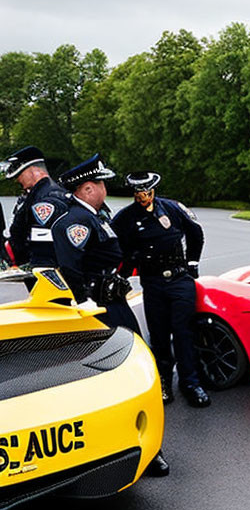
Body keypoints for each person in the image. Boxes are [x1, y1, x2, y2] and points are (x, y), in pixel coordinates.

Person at [52, 154, 169, 476]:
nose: (105, 187)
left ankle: (146, 447)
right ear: (88, 188)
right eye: (101, 183)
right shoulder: (75, 221)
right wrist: (84, 300)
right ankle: (125, 449)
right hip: (98, 307)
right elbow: (69, 267)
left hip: (114, 302)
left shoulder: (97, 215)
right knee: (117, 375)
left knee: (133, 367)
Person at [112, 172, 210, 408]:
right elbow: (116, 249)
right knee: (159, 334)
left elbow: (195, 233)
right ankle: (164, 381)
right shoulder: (125, 218)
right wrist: (122, 273)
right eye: (138, 193)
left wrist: (192, 264)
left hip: (178, 278)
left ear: (153, 190)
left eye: (146, 192)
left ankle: (191, 383)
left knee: (183, 331)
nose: (142, 196)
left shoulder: (173, 208)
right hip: (153, 281)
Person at [3, 145, 70, 269]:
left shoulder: (46, 200)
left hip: (43, 271)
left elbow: (44, 247)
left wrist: (31, 267)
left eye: (20, 174)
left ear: (33, 171)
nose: (17, 179)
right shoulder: (43, 193)